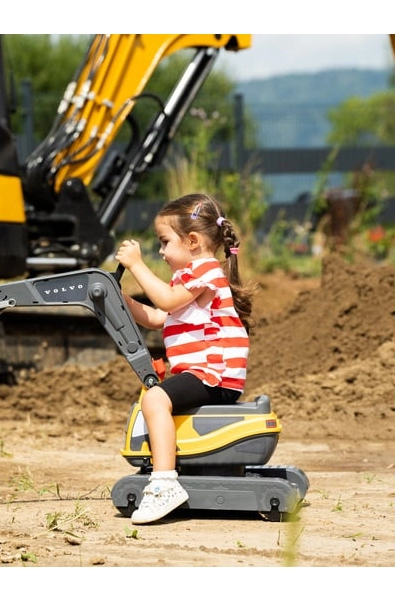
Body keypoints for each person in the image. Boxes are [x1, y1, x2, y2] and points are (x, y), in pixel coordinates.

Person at [115, 192, 254, 524]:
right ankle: (168, 471)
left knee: (154, 400)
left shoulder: (205, 271)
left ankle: (165, 483)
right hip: (206, 373)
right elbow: (158, 317)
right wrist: (117, 299)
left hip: (213, 374)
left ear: (192, 241)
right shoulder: (188, 279)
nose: (161, 252)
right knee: (154, 399)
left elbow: (164, 302)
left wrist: (136, 265)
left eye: (164, 242)